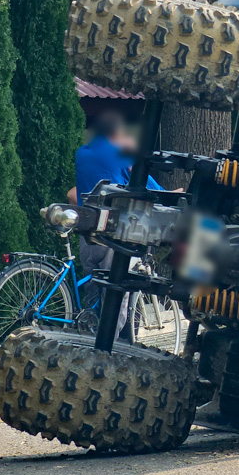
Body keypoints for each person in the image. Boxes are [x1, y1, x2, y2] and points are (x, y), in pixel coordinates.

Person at [73, 110, 165, 336]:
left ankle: (87, 338)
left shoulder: (81, 153)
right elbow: (152, 190)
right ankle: (107, 347)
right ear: (117, 133)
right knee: (117, 297)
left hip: (88, 236)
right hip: (115, 237)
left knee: (93, 295)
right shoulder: (122, 155)